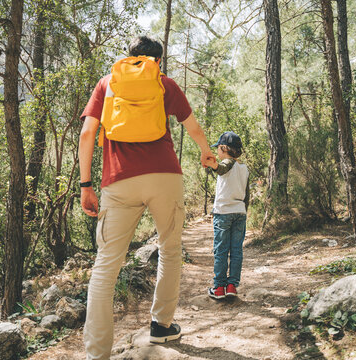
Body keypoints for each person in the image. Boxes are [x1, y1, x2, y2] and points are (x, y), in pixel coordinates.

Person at [78, 35, 215, 359]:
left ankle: (96, 354)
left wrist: (85, 185)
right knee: (169, 250)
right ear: (159, 61)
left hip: (118, 181)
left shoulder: (107, 83)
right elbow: (192, 128)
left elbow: (87, 133)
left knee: (106, 266)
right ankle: (161, 326)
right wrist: (206, 152)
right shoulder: (164, 83)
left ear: (130, 57)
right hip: (164, 177)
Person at [206, 131, 250, 299]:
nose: (217, 150)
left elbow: (222, 168)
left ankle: (218, 288)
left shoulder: (226, 163)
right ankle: (231, 286)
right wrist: (243, 210)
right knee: (236, 250)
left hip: (224, 213)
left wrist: (213, 164)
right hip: (239, 211)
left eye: (218, 148)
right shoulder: (244, 168)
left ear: (224, 148)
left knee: (221, 250)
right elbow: (247, 194)